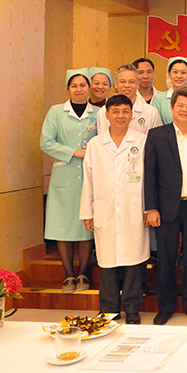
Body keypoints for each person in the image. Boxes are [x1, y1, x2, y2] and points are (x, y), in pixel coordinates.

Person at [79, 94, 149, 324]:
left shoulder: (142, 141)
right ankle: (109, 309)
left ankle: (132, 309)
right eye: (116, 111)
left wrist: (148, 208)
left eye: (125, 111)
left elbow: (149, 178)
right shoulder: (96, 144)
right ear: (107, 115)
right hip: (105, 208)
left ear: (131, 115)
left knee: (133, 260)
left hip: (134, 208)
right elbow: (88, 179)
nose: (121, 116)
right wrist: (87, 212)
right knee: (107, 261)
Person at [144, 86, 187, 325]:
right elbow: (149, 174)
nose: (184, 110)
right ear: (172, 108)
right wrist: (151, 208)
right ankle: (166, 306)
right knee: (166, 258)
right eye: (180, 105)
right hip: (165, 208)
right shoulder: (157, 135)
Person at [40, 68, 99, 293]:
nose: (79, 89)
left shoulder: (98, 113)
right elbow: (46, 142)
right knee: (63, 227)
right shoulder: (56, 112)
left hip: (90, 176)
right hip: (64, 176)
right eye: (74, 85)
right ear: (68, 88)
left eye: (83, 85)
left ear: (89, 88)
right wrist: (74, 152)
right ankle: (68, 274)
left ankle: (83, 273)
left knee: (86, 227)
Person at [97, 64, 162, 135]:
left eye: (131, 82)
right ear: (116, 84)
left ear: (137, 84)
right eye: (122, 82)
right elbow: (101, 139)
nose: (127, 85)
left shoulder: (151, 113)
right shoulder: (103, 112)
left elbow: (157, 139)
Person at [152, 57, 187, 124]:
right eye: (175, 72)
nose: (179, 76)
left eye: (183, 73)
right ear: (169, 74)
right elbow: (156, 124)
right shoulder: (159, 99)